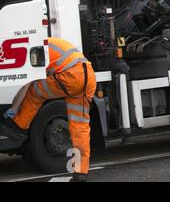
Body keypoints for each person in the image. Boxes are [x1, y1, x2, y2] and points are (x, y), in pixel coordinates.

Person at [0, 37, 97, 182]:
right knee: (80, 128)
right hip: (88, 77)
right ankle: (81, 172)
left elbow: (27, 85)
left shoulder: (34, 48)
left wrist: (14, 110)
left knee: (35, 90)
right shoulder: (49, 43)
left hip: (71, 76)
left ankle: (19, 127)